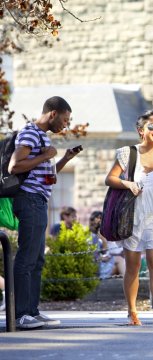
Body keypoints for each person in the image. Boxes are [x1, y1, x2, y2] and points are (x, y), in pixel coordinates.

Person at [9, 96, 82, 329]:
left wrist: (64, 159)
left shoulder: (42, 137)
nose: (66, 125)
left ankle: (32, 311)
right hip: (28, 200)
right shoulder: (31, 132)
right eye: (65, 119)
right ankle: (21, 315)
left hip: (39, 200)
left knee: (37, 259)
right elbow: (14, 166)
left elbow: (48, 176)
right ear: (53, 114)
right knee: (26, 258)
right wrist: (45, 156)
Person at [105, 109, 153, 326]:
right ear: (141, 131)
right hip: (132, 213)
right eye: (152, 127)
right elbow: (110, 178)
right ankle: (132, 311)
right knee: (132, 265)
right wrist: (127, 183)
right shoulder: (127, 152)